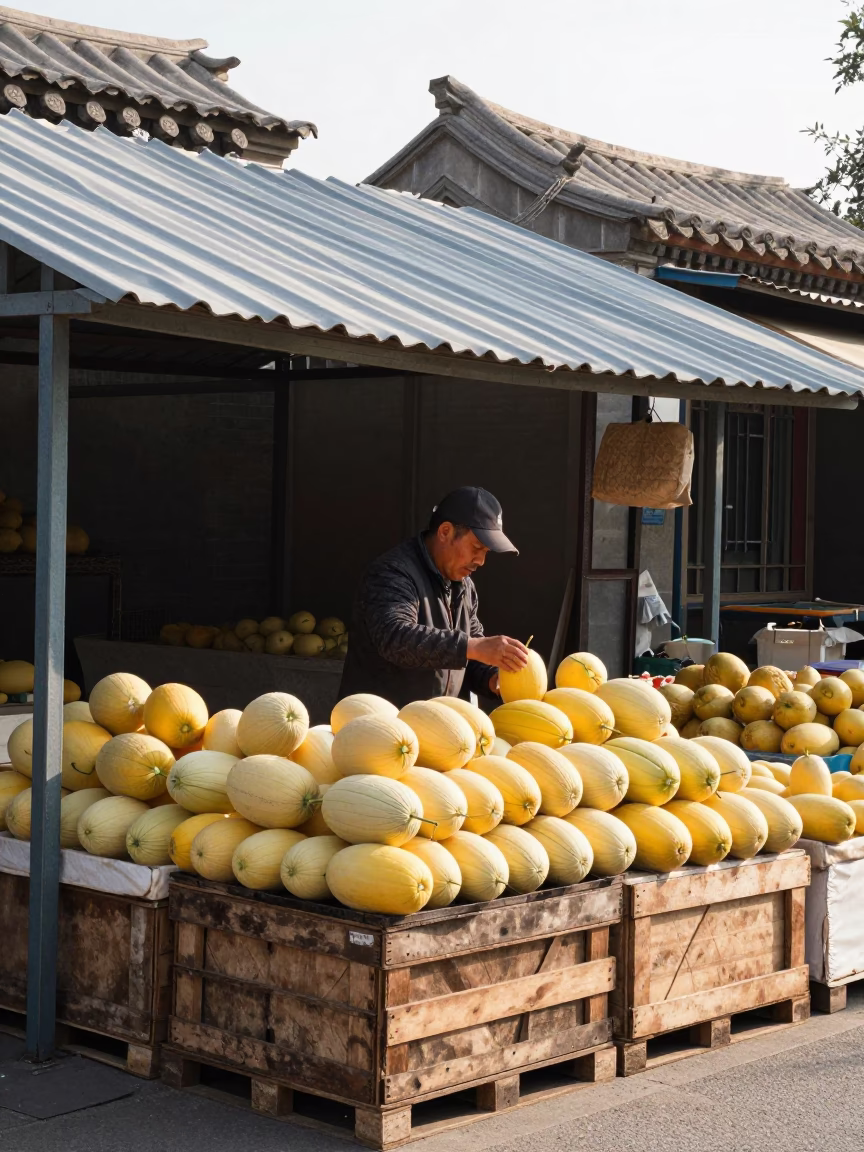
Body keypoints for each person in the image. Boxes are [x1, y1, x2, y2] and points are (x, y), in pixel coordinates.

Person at [338, 486, 529, 708]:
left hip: (435, 731)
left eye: (486, 552)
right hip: (378, 726)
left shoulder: (465, 586)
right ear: (445, 532)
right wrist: (474, 647)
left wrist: (493, 679)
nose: (481, 561)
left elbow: (471, 656)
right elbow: (395, 637)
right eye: (476, 547)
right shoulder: (392, 573)